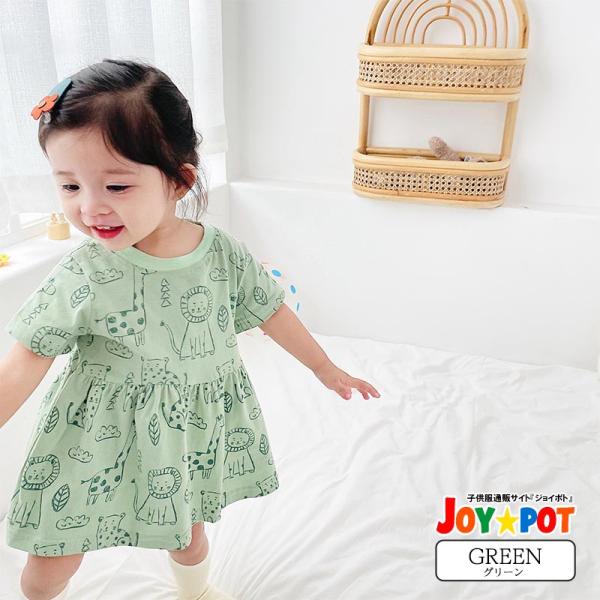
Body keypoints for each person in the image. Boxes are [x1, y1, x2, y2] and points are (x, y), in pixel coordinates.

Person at [0, 59, 381, 600]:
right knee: (53, 551)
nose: (89, 207)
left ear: (179, 181)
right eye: (68, 185)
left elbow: (269, 309)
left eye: (115, 185)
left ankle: (196, 591)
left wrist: (324, 367)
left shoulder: (219, 253)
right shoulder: (85, 271)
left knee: (187, 530)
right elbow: (27, 357)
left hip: (186, 428)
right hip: (93, 434)